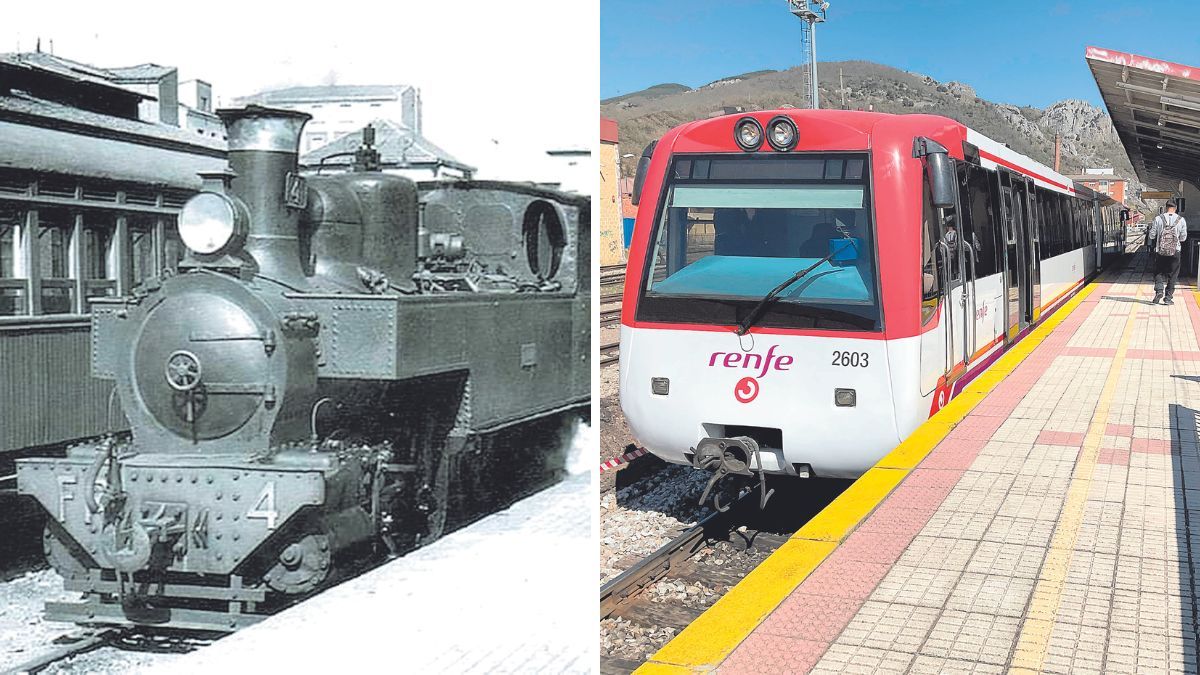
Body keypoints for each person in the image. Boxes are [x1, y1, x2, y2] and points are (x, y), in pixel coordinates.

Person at [1150, 200, 1188, 305]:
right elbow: (1183, 238)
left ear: (1166, 207)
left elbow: (1152, 235)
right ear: (1175, 208)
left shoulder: (1158, 218)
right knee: (1173, 274)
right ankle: (1168, 298)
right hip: (1175, 251)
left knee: (1158, 271)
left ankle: (1159, 290)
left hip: (1160, 251)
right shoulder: (1181, 220)